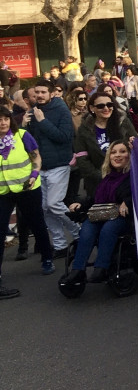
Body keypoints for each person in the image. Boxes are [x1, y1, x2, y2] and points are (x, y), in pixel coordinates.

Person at [62, 139, 133, 287]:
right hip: (102, 213)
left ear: (130, 155)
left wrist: (127, 201)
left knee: (108, 229)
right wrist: (80, 205)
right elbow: (94, 199)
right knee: (87, 229)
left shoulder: (134, 176)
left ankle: (102, 267)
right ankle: (78, 270)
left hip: (124, 216)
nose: (117, 155)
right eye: (113, 152)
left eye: (122, 151)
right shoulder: (107, 178)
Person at [0, 104, 55, 292]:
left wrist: (34, 174)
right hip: (3, 192)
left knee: (37, 224)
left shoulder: (22, 135)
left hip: (27, 187)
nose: (3, 123)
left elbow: (36, 158)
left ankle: (47, 258)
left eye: (6, 119)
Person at [21, 78, 77, 256]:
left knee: (54, 203)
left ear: (52, 93)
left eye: (43, 92)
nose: (39, 95)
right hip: (39, 167)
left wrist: (43, 122)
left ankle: (79, 231)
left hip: (58, 164)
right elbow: (31, 142)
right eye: (36, 92)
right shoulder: (33, 111)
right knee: (44, 207)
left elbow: (64, 137)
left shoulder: (61, 110)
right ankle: (60, 244)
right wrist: (23, 127)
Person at [73, 89, 136, 200]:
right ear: (92, 108)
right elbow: (82, 159)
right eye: (101, 106)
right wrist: (102, 176)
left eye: (109, 104)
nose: (106, 108)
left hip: (124, 180)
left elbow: (136, 146)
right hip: (97, 183)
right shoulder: (84, 129)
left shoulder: (123, 122)